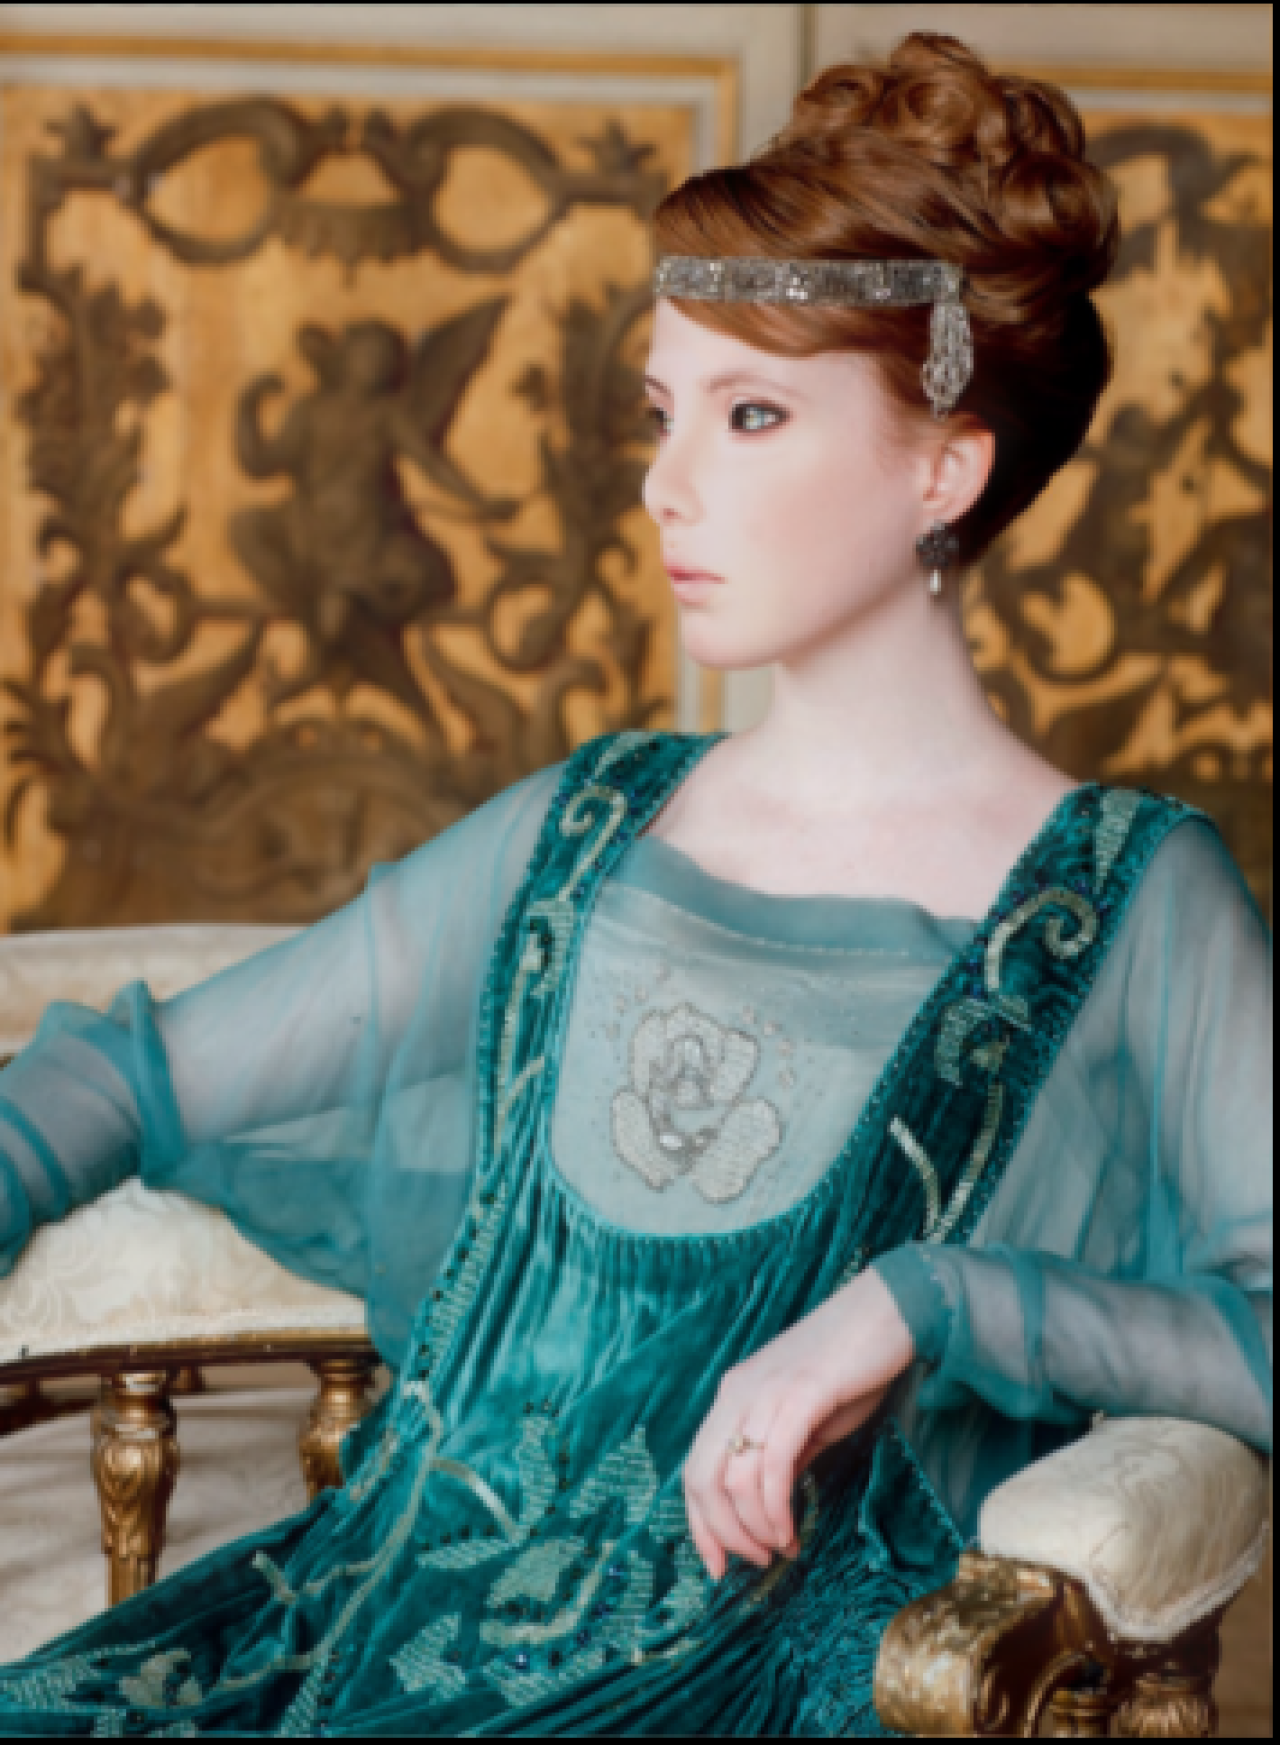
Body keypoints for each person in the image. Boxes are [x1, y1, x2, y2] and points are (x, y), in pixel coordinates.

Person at [0, 31, 1271, 1739]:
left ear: (944, 467)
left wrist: (926, 1301)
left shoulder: (1130, 899)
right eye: (666, 417)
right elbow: (133, 1073)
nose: (669, 486)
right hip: (360, 1641)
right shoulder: (585, 834)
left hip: (763, 1688)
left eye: (752, 417)